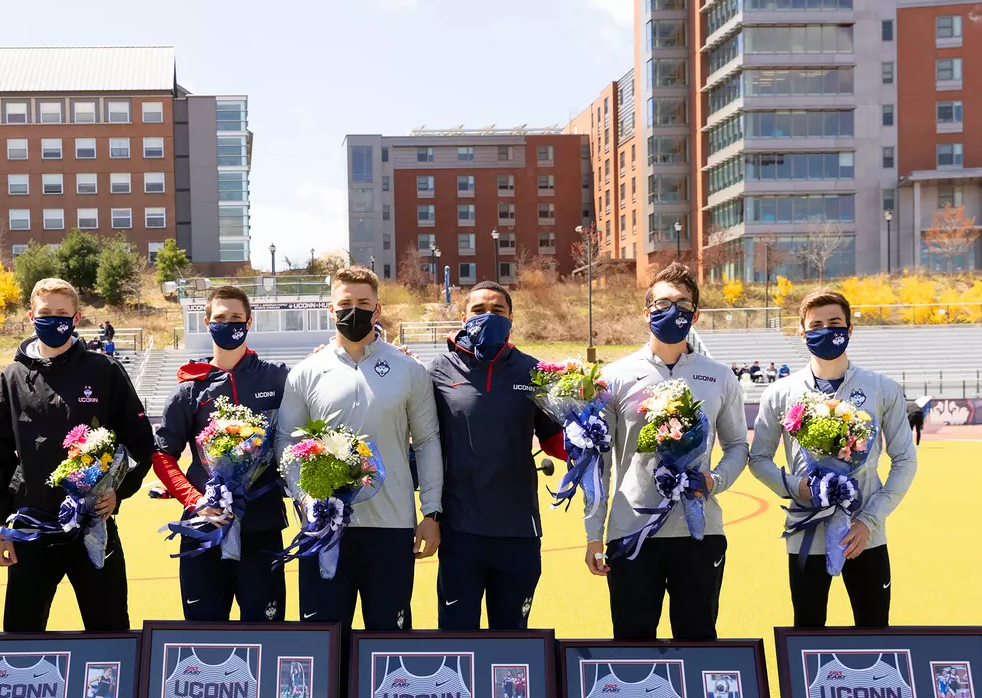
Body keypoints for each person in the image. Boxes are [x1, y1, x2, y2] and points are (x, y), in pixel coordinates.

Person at [584, 262, 749, 640]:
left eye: (683, 304)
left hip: (700, 533)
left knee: (698, 641)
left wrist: (716, 479)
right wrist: (595, 532)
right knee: (632, 642)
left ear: (696, 314)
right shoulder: (614, 376)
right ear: (646, 312)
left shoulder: (719, 375)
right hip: (631, 533)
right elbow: (600, 462)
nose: (672, 311)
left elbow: (738, 445)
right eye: (662, 303)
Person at [0, 278, 155, 632]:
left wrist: (118, 492)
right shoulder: (8, 380)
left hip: (93, 526)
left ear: (76, 318)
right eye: (46, 313)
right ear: (31, 316)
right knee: (21, 633)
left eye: (62, 313)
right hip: (31, 529)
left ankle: (112, 690)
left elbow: (138, 441)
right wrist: (1, 524)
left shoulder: (104, 371)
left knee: (110, 632)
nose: (54, 320)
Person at [275, 264, 442, 633]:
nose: (354, 310)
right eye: (345, 302)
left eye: (363, 302)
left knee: (388, 641)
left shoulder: (409, 369)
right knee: (324, 645)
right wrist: (304, 499)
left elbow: (428, 441)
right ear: (330, 310)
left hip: (392, 527)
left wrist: (431, 511)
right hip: (323, 529)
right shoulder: (306, 372)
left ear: (377, 309)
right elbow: (286, 441)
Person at [749, 289, 918, 629]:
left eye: (835, 323)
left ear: (850, 328)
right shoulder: (780, 392)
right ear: (802, 333)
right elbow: (759, 458)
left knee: (875, 632)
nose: (826, 330)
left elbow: (905, 461)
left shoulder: (881, 388)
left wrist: (868, 520)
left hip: (865, 536)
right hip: (805, 534)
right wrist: (797, 487)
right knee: (807, 635)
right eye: (816, 325)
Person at [429, 281, 564, 630]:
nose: (488, 316)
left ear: (511, 318)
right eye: (478, 311)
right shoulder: (439, 371)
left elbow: (554, 439)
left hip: (518, 531)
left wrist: (592, 443)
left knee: (512, 642)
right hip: (460, 530)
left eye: (497, 311)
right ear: (462, 317)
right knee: (457, 637)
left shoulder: (534, 372)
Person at [152, 284, 290, 621]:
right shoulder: (191, 387)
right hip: (204, 528)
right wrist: (194, 499)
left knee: (269, 637)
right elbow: (162, 455)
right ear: (206, 322)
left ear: (249, 322)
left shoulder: (279, 377)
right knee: (204, 637)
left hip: (261, 527)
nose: (228, 324)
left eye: (236, 318)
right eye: (220, 318)